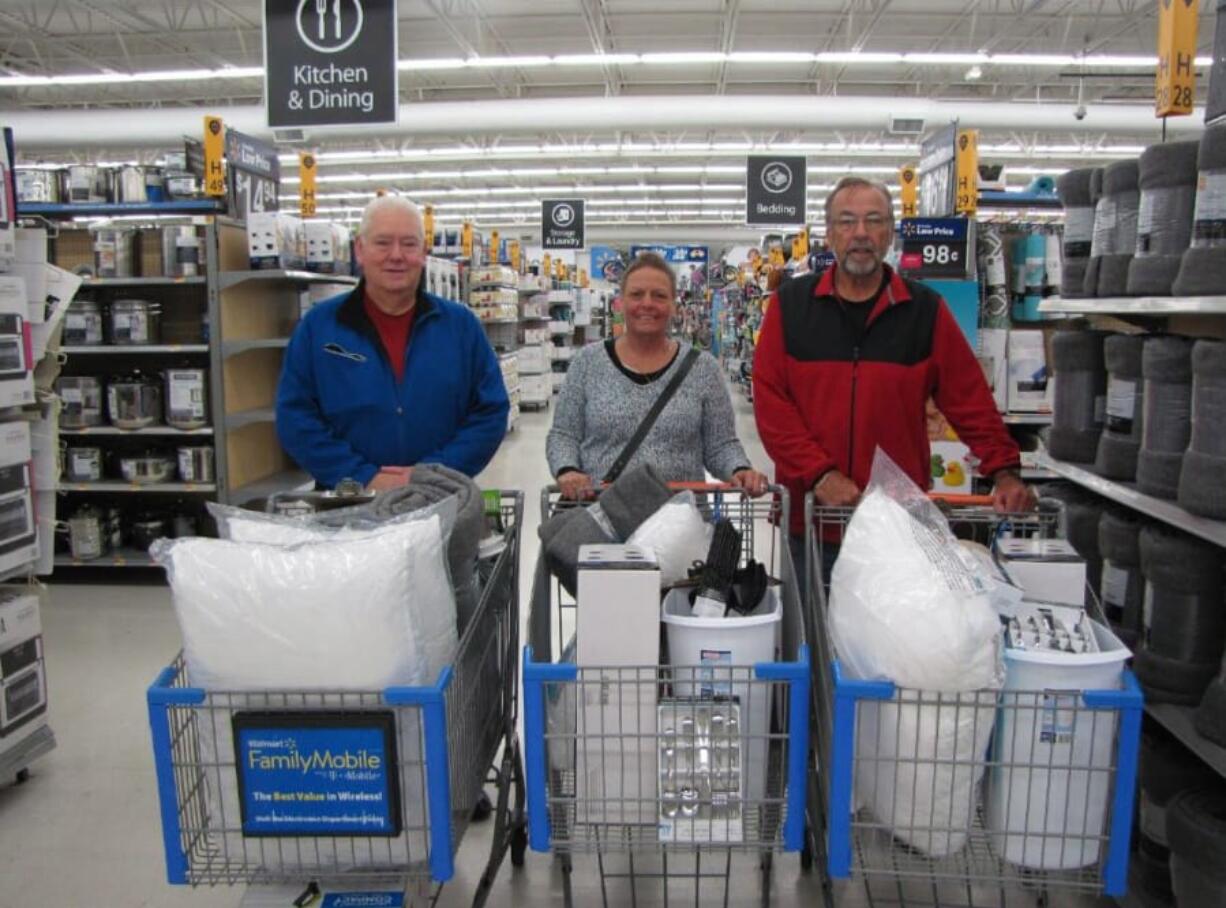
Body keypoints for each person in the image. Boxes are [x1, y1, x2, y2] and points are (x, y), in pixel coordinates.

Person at [753, 176, 1034, 569]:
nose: (861, 233)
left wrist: (1003, 471)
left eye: (875, 221)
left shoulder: (924, 311)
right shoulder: (791, 307)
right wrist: (819, 474)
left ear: (890, 235)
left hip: (898, 524)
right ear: (830, 234)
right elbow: (771, 404)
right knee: (812, 630)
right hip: (812, 522)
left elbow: (969, 399)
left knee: (898, 629)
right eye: (847, 222)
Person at [276, 196, 509, 491]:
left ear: (424, 253)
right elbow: (296, 417)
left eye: (409, 244)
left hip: (440, 500)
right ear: (360, 250)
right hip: (346, 506)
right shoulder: (319, 327)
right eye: (383, 243)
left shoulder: (461, 327)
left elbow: (490, 412)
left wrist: (429, 475)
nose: (396, 255)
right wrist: (362, 477)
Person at [547, 251, 769, 499]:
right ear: (620, 302)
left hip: (681, 524)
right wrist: (567, 469)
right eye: (636, 294)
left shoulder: (703, 368)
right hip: (603, 521)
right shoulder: (587, 362)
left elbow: (721, 445)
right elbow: (563, 435)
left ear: (674, 305)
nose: (647, 304)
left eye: (659, 296)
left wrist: (740, 468)